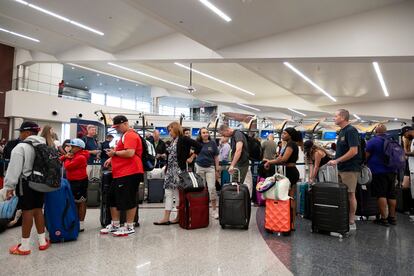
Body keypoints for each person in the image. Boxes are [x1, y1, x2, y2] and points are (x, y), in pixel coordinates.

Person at [4, 121, 50, 255]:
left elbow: (14, 169)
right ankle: (42, 242)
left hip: (26, 184)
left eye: (21, 131)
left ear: (28, 132)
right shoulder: (43, 145)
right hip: (40, 183)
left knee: (27, 212)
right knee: (38, 210)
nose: (20, 134)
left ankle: (24, 246)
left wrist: (9, 186)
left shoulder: (21, 147)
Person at [101, 115, 144, 236]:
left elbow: (130, 153)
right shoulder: (124, 136)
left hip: (130, 172)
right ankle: (115, 224)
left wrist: (114, 153)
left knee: (128, 198)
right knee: (112, 197)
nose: (116, 129)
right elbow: (122, 152)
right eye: (115, 127)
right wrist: (112, 157)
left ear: (125, 124)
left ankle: (129, 226)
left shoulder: (130, 135)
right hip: (121, 172)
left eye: (118, 126)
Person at [154, 122, 202, 225]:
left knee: (177, 194)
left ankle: (179, 217)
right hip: (170, 171)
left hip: (179, 171)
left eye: (170, 130)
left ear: (175, 129)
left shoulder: (183, 139)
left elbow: (199, 146)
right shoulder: (173, 141)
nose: (169, 132)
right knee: (168, 194)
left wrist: (192, 157)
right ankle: (166, 218)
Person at [327, 109, 361, 231]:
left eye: (335, 116)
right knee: (343, 194)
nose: (334, 118)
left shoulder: (351, 131)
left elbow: (354, 151)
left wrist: (337, 160)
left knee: (351, 193)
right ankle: (344, 217)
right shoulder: (342, 131)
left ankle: (352, 221)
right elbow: (343, 151)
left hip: (350, 168)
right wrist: (334, 158)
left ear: (342, 117)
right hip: (342, 168)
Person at [264, 127, 302, 229]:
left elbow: (283, 159)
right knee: (288, 197)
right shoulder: (288, 144)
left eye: (285, 133)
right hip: (289, 171)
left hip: (291, 173)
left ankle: (291, 223)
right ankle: (288, 221)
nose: (282, 135)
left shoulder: (291, 144)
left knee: (290, 198)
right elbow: (281, 158)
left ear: (290, 135)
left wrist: (269, 162)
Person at [365, 124, 397, 226]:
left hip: (378, 171)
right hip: (392, 171)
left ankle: (384, 219)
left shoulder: (373, 141)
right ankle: (392, 218)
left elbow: (366, 155)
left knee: (381, 194)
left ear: (376, 131)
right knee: (391, 194)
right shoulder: (392, 140)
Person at [60, 138, 90, 231]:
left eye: (72, 146)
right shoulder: (74, 155)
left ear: (79, 148)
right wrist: (66, 156)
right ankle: (76, 221)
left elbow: (68, 167)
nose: (70, 148)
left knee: (81, 202)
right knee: (75, 202)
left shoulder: (80, 157)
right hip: (72, 181)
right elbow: (59, 160)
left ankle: (81, 224)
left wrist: (66, 158)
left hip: (79, 182)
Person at [194, 127, 220, 219]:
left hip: (210, 168)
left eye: (207, 132)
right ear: (200, 134)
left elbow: (216, 156)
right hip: (199, 167)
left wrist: (217, 169)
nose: (205, 134)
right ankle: (202, 209)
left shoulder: (212, 143)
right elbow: (194, 154)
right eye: (203, 133)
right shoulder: (197, 143)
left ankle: (214, 210)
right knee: (201, 189)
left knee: (212, 188)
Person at [401, 126, 414, 220]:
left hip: (412, 168)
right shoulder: (410, 140)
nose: (405, 136)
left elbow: (412, 153)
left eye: (405, 134)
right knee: (407, 187)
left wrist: (404, 152)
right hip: (410, 167)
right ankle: (408, 208)